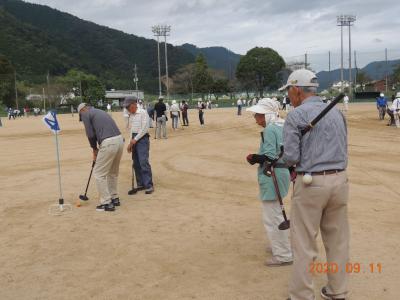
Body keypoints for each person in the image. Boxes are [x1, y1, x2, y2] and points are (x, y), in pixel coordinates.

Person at [280, 69, 349, 300]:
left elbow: (291, 157)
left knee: (303, 243)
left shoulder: (295, 116)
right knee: (338, 240)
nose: (288, 95)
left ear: (297, 89)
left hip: (311, 182)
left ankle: (301, 295)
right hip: (340, 180)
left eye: (289, 90)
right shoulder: (337, 113)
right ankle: (337, 291)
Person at [246, 98, 293, 267]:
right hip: (282, 173)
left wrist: (253, 158)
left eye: (258, 115)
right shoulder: (284, 125)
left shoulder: (270, 129)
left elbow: (270, 156)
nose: (256, 118)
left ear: (267, 115)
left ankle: (283, 254)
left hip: (272, 174)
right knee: (277, 214)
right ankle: (281, 247)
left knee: (272, 217)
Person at [78, 103, 124, 212]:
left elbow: (90, 134)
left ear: (82, 110)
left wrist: (94, 149)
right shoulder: (100, 111)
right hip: (119, 140)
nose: (81, 118)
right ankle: (114, 198)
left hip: (108, 142)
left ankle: (106, 203)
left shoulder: (85, 113)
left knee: (99, 173)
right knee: (112, 172)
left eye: (80, 115)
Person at [124, 97, 154, 195]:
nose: (127, 109)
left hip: (142, 139)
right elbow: (131, 130)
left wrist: (134, 140)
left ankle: (149, 184)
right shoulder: (131, 115)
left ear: (133, 104)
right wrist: (130, 142)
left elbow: (144, 128)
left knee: (143, 161)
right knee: (136, 162)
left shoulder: (143, 113)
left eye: (128, 107)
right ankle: (141, 183)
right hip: (134, 139)